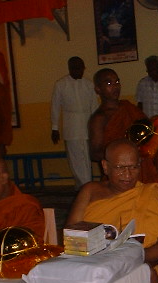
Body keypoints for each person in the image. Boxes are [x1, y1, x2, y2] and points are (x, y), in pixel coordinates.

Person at [66, 138, 158, 282]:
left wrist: (123, 261)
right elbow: (72, 235)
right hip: (91, 271)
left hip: (135, 272)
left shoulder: (151, 194)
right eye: (120, 168)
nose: (128, 175)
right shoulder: (90, 191)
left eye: (133, 167)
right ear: (105, 166)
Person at [88, 68, 158, 183]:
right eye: (109, 83)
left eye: (117, 82)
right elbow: (95, 153)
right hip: (118, 175)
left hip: (139, 168)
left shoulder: (128, 108)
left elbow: (149, 134)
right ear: (98, 89)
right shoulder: (99, 118)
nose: (115, 86)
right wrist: (122, 156)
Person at [50, 56, 99, 189]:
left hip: (87, 126)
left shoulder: (89, 85)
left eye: (81, 68)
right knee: (76, 161)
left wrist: (97, 128)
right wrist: (55, 128)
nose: (79, 70)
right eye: (76, 68)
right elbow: (55, 107)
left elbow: (95, 107)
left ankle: (85, 187)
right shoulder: (61, 84)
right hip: (71, 128)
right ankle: (85, 187)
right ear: (70, 68)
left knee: (87, 161)